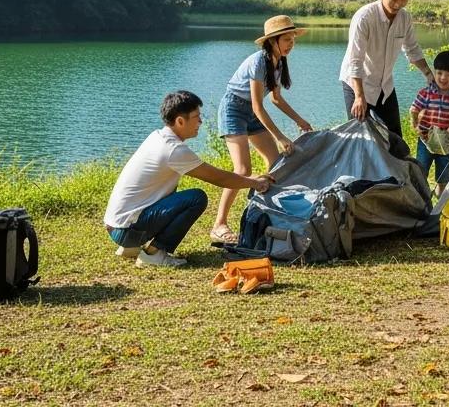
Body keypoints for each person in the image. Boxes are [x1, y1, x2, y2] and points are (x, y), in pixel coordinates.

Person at [104, 90, 271, 268]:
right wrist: (256, 183)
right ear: (180, 121)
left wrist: (252, 179)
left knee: (172, 194)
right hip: (127, 230)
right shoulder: (173, 149)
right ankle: (153, 254)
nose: (200, 122)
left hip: (116, 226)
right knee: (196, 198)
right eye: (196, 117)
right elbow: (219, 178)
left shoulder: (157, 137)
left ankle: (131, 247)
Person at [210, 14, 313, 246]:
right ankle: (219, 225)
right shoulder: (259, 61)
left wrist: (300, 120)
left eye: (292, 40)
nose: (291, 45)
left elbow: (276, 99)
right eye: (286, 40)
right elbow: (258, 105)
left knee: (275, 163)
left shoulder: (279, 62)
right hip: (234, 108)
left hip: (251, 111)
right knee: (243, 168)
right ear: (272, 41)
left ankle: (265, 209)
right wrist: (279, 136)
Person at [339, 0, 434, 137]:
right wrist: (359, 97)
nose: (399, 4)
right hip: (358, 85)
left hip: (385, 86)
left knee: (395, 139)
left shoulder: (404, 18)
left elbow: (412, 49)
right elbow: (355, 61)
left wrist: (429, 75)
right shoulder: (364, 17)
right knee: (360, 139)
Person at [409, 49, 449, 192]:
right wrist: (416, 125)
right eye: (439, 73)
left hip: (446, 141)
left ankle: (440, 200)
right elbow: (414, 109)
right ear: (434, 72)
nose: (443, 78)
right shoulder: (426, 93)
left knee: (443, 175)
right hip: (426, 140)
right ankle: (421, 198)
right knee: (421, 171)